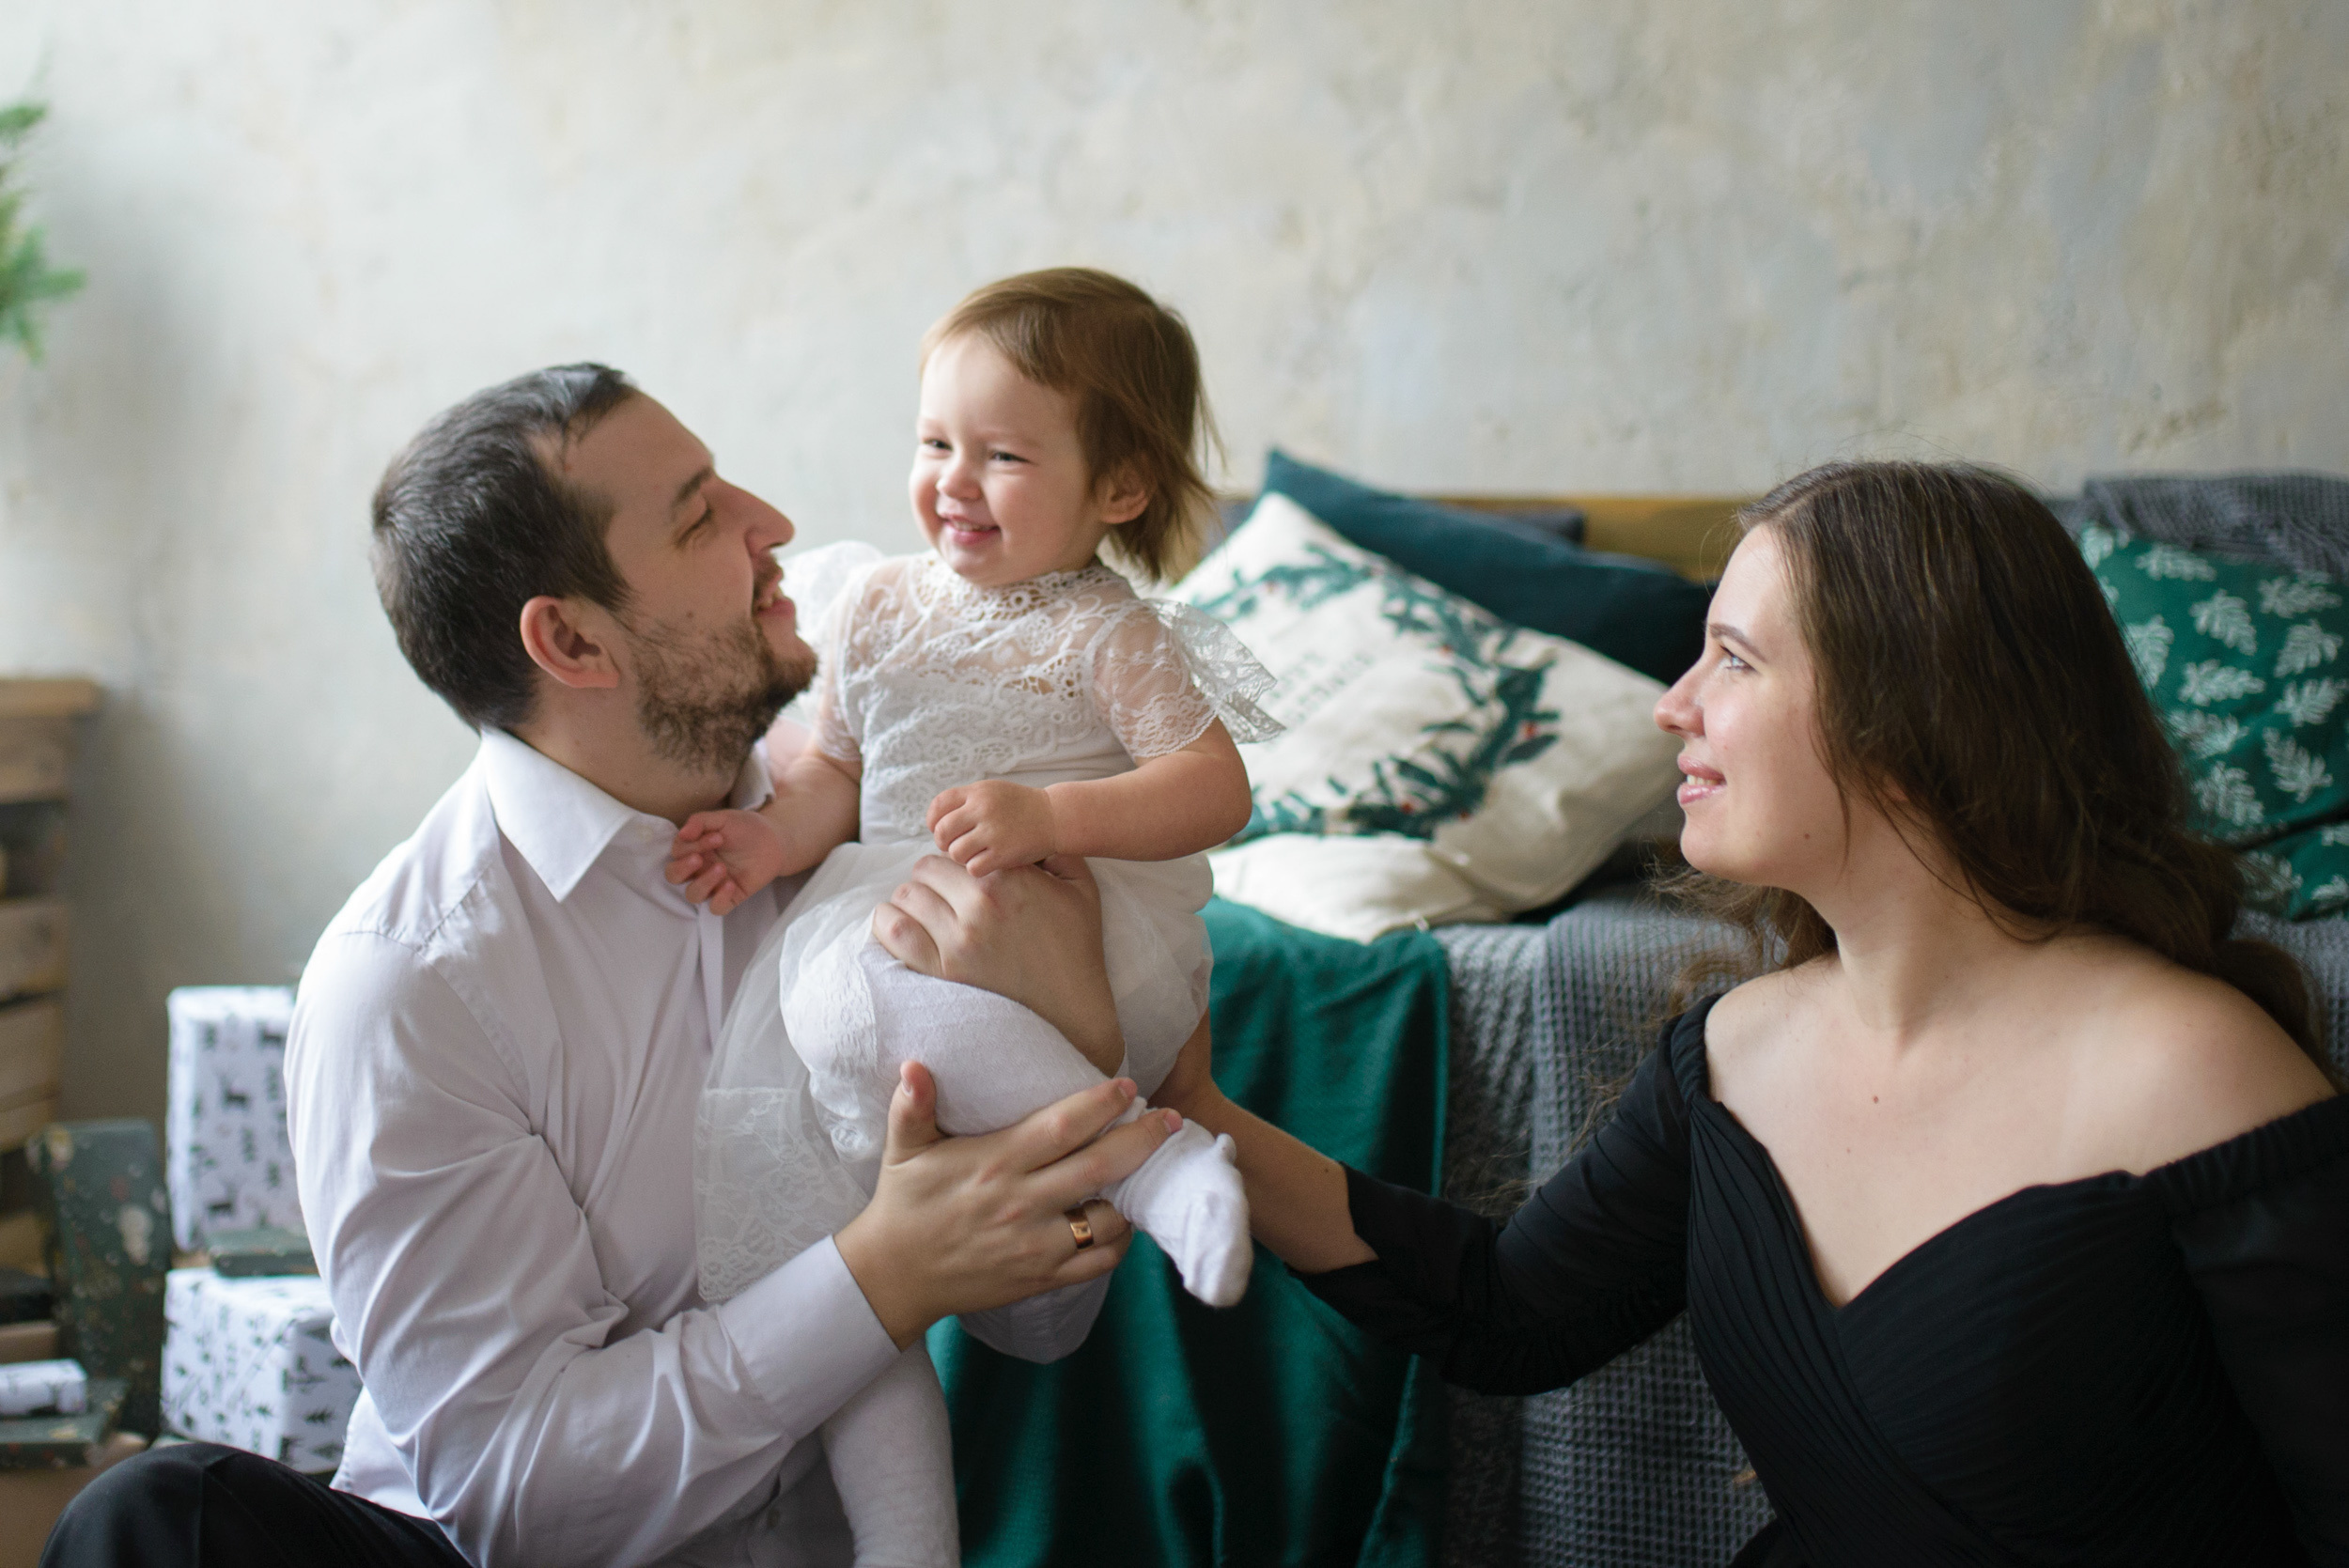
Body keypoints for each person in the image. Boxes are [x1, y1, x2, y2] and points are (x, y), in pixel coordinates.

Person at [933, 461, 2347, 1567]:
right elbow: (1508, 1312)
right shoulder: (1739, 1052)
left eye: (1732, 659)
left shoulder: (2190, 1074)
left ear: (1912, 715)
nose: (1674, 707)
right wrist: (1201, 1118)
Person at [43, 365, 1178, 1568]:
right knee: (153, 1520)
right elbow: (512, 1494)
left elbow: (1043, 1319)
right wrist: (875, 1277)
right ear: (573, 638)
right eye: (698, 516)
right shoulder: (413, 982)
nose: (773, 525)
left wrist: (1076, 1047)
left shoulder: (886, 824)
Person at [670, 270, 1278, 1567]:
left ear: (1117, 488)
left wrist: (1059, 819)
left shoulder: (1103, 631)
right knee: (828, 1276)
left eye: (1002, 455)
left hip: (1048, 916)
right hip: (888, 900)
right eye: (935, 442)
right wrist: (772, 837)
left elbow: (1212, 785)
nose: (952, 479)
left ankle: (1152, 1157)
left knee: (852, 1008)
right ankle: (912, 1550)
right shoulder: (879, 605)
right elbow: (836, 767)